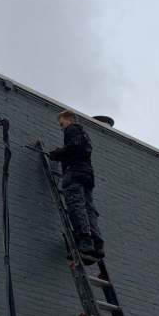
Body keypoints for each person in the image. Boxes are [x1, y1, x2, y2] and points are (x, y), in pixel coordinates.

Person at [49, 110, 104, 263]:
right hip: (87, 175)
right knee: (88, 208)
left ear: (69, 120)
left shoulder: (72, 129)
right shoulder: (85, 135)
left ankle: (85, 240)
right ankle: (97, 244)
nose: (61, 128)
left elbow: (74, 147)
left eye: (62, 124)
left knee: (76, 205)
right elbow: (79, 150)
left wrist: (58, 154)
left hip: (74, 173)